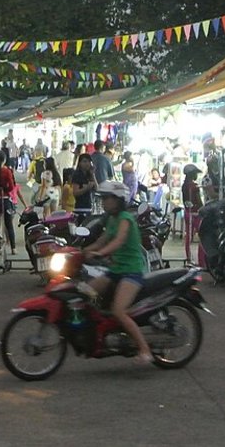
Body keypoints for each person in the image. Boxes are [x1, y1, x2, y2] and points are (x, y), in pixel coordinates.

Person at [82, 180, 153, 365]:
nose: (104, 202)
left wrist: (100, 253)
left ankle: (145, 350)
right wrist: (80, 252)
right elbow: (102, 240)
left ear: (118, 200)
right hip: (115, 270)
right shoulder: (112, 219)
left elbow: (118, 241)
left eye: (107, 198)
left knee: (118, 311)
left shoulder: (125, 219)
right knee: (84, 291)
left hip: (131, 272)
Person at [181, 164, 204, 265]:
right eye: (195, 173)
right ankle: (201, 260)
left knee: (188, 237)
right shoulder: (194, 187)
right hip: (196, 213)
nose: (196, 176)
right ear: (191, 174)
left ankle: (189, 258)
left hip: (187, 212)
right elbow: (199, 201)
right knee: (203, 236)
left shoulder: (184, 185)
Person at [71, 153, 98, 223]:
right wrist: (86, 188)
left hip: (89, 208)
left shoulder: (89, 175)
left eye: (89, 162)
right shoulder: (77, 175)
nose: (87, 164)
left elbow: (97, 189)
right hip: (80, 209)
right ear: (80, 163)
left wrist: (93, 174)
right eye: (85, 161)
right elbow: (75, 192)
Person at [201, 133, 222, 202]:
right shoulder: (207, 179)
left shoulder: (217, 176)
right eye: (215, 163)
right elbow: (212, 194)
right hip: (210, 208)